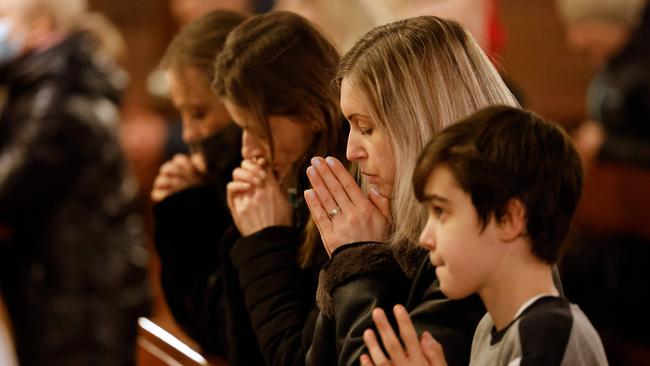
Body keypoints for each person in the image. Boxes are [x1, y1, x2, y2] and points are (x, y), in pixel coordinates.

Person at [253, 16, 517, 365]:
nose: (350, 151)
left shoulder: (477, 246)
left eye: (366, 127)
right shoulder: (388, 221)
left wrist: (357, 260)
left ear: (422, 125)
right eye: (350, 126)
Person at [362, 105, 608, 366]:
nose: (425, 237)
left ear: (509, 218)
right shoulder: (488, 328)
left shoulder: (548, 334)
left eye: (441, 211)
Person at [171, 11, 346, 365]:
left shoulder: (343, 193)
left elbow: (295, 358)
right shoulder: (290, 185)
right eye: (241, 130)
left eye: (255, 128)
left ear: (309, 110)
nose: (247, 149)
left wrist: (266, 240)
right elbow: (228, 338)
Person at [0, 0, 150, 364]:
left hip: (84, 304)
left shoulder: (62, 93)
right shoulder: (40, 86)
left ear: (40, 26)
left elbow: (10, 182)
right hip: (65, 295)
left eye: (4, 18)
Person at [150, 10, 245, 358]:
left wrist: (196, 208)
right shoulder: (213, 175)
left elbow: (231, 332)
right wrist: (179, 208)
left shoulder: (264, 182)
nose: (189, 134)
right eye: (182, 115)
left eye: (200, 113)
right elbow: (195, 320)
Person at [557, 0, 650, 168]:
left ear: (615, 25)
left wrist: (606, 146)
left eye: (585, 26)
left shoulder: (642, 70)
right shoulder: (612, 64)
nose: (576, 41)